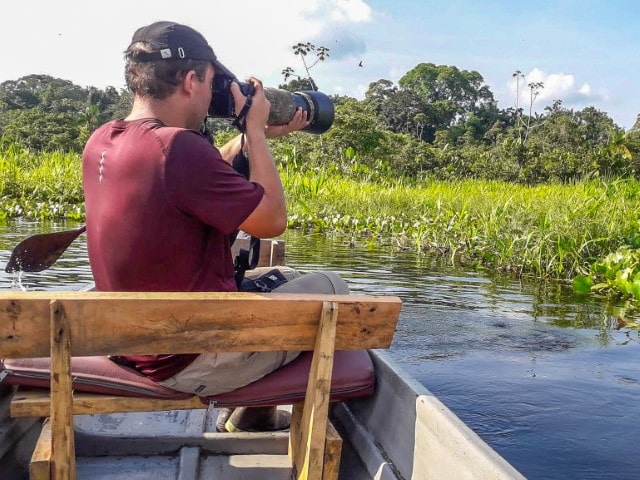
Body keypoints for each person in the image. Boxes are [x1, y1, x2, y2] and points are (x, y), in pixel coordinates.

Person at [81, 21, 349, 432]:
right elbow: (272, 220)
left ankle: (254, 413)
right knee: (333, 288)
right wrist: (255, 133)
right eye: (210, 84)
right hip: (186, 358)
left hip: (126, 343)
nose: (212, 97)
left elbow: (200, 175)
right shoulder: (179, 148)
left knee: (289, 277)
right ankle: (256, 413)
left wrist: (248, 140)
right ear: (190, 80)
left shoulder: (105, 139)